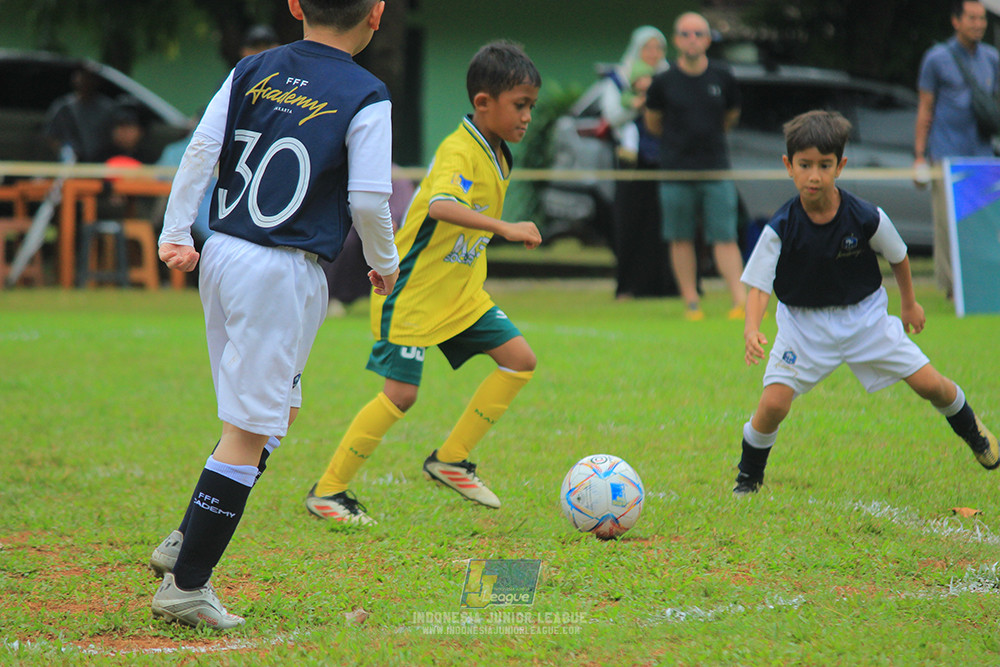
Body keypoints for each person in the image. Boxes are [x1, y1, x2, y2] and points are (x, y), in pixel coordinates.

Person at [147, 0, 399, 628]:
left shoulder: (252, 68)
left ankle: (186, 539)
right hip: (280, 269)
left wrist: (177, 229)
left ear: (294, 5)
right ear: (377, 12)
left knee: (273, 409)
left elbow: (200, 151)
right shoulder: (367, 92)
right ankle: (187, 586)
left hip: (225, 255)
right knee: (250, 429)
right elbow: (370, 198)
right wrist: (385, 263)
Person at [304, 41, 542, 525]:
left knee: (519, 361)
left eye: (530, 107)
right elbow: (440, 207)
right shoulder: (460, 149)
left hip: (461, 295)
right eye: (520, 106)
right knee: (401, 395)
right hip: (411, 293)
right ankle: (328, 492)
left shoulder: (500, 153)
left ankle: (451, 459)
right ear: (483, 103)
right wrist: (506, 228)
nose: (527, 118)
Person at [733, 109, 997, 497]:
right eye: (804, 165)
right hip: (803, 326)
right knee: (773, 405)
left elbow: (899, 256)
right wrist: (751, 327)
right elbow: (758, 285)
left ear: (840, 166)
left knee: (930, 385)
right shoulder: (782, 226)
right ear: (789, 167)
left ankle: (975, 433)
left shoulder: (864, 215)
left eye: (824, 165)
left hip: (866, 319)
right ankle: (748, 477)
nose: (814, 175)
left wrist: (909, 304)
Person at [644, 11, 746, 321]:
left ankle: (739, 301)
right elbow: (653, 123)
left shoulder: (722, 76)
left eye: (698, 34)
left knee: (724, 236)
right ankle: (691, 302)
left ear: (707, 39)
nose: (692, 39)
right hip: (676, 170)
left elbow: (730, 117)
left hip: (716, 169)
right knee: (680, 237)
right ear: (676, 40)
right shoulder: (662, 82)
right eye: (686, 34)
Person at [913, 0, 998, 298]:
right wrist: (920, 156)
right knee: (948, 226)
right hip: (946, 155)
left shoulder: (992, 58)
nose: (979, 24)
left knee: (983, 224)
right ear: (956, 21)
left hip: (983, 156)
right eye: (972, 18)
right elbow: (925, 109)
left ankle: (983, 284)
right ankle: (952, 288)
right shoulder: (936, 58)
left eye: (982, 18)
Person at [600, 26, 676, 300]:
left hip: (665, 158)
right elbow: (612, 114)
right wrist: (639, 101)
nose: (653, 54)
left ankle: (665, 285)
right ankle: (629, 285)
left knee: (664, 221)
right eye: (648, 48)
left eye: (658, 48)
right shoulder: (620, 78)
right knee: (631, 221)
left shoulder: (670, 77)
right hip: (630, 159)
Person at [321, 166, 415, 316]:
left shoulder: (398, 177)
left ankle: (402, 300)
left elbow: (398, 217)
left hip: (391, 232)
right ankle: (333, 297)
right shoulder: (352, 172)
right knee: (347, 242)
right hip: (357, 229)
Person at [43, 65, 115, 163]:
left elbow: (115, 135)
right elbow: (51, 136)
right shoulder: (64, 107)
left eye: (90, 78)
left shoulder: (107, 108)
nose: (86, 82)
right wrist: (65, 152)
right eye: (83, 76)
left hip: (101, 163)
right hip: (72, 165)